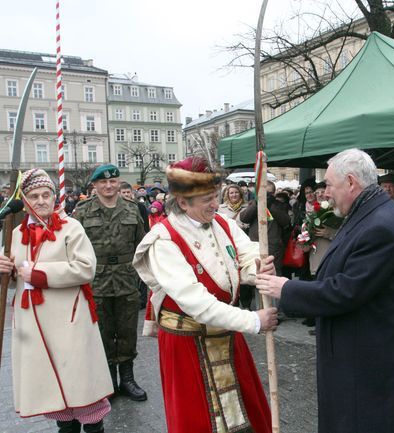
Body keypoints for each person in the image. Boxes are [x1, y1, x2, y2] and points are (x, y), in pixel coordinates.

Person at [256, 149, 394, 433]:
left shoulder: (381, 225)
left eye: (329, 184)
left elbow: (345, 291)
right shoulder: (368, 213)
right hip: (355, 355)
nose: (325, 193)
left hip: (363, 363)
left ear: (351, 182)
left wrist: (287, 288)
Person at [132, 156, 278, 433]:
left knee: (245, 416)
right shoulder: (163, 241)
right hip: (188, 343)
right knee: (199, 421)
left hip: (226, 334)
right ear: (183, 202)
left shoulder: (222, 222)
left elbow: (245, 254)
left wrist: (256, 267)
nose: (215, 204)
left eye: (215, 196)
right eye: (206, 199)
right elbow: (195, 302)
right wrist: (254, 321)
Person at [0, 169, 112, 433]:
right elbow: (16, 274)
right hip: (33, 323)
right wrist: (7, 270)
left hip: (69, 321)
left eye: (46, 195)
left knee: (82, 386)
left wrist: (41, 275)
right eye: (34, 196)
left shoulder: (71, 228)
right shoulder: (15, 233)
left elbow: (86, 268)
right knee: (52, 388)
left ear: (54, 197)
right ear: (25, 201)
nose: (41, 201)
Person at [73, 164, 147, 402]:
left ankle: (127, 379)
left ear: (118, 183)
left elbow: (141, 245)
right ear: (94, 186)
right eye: (102, 182)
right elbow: (73, 247)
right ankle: (108, 382)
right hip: (96, 279)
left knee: (127, 330)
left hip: (126, 277)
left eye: (113, 181)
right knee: (102, 331)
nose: (108, 186)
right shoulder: (83, 211)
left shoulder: (132, 209)